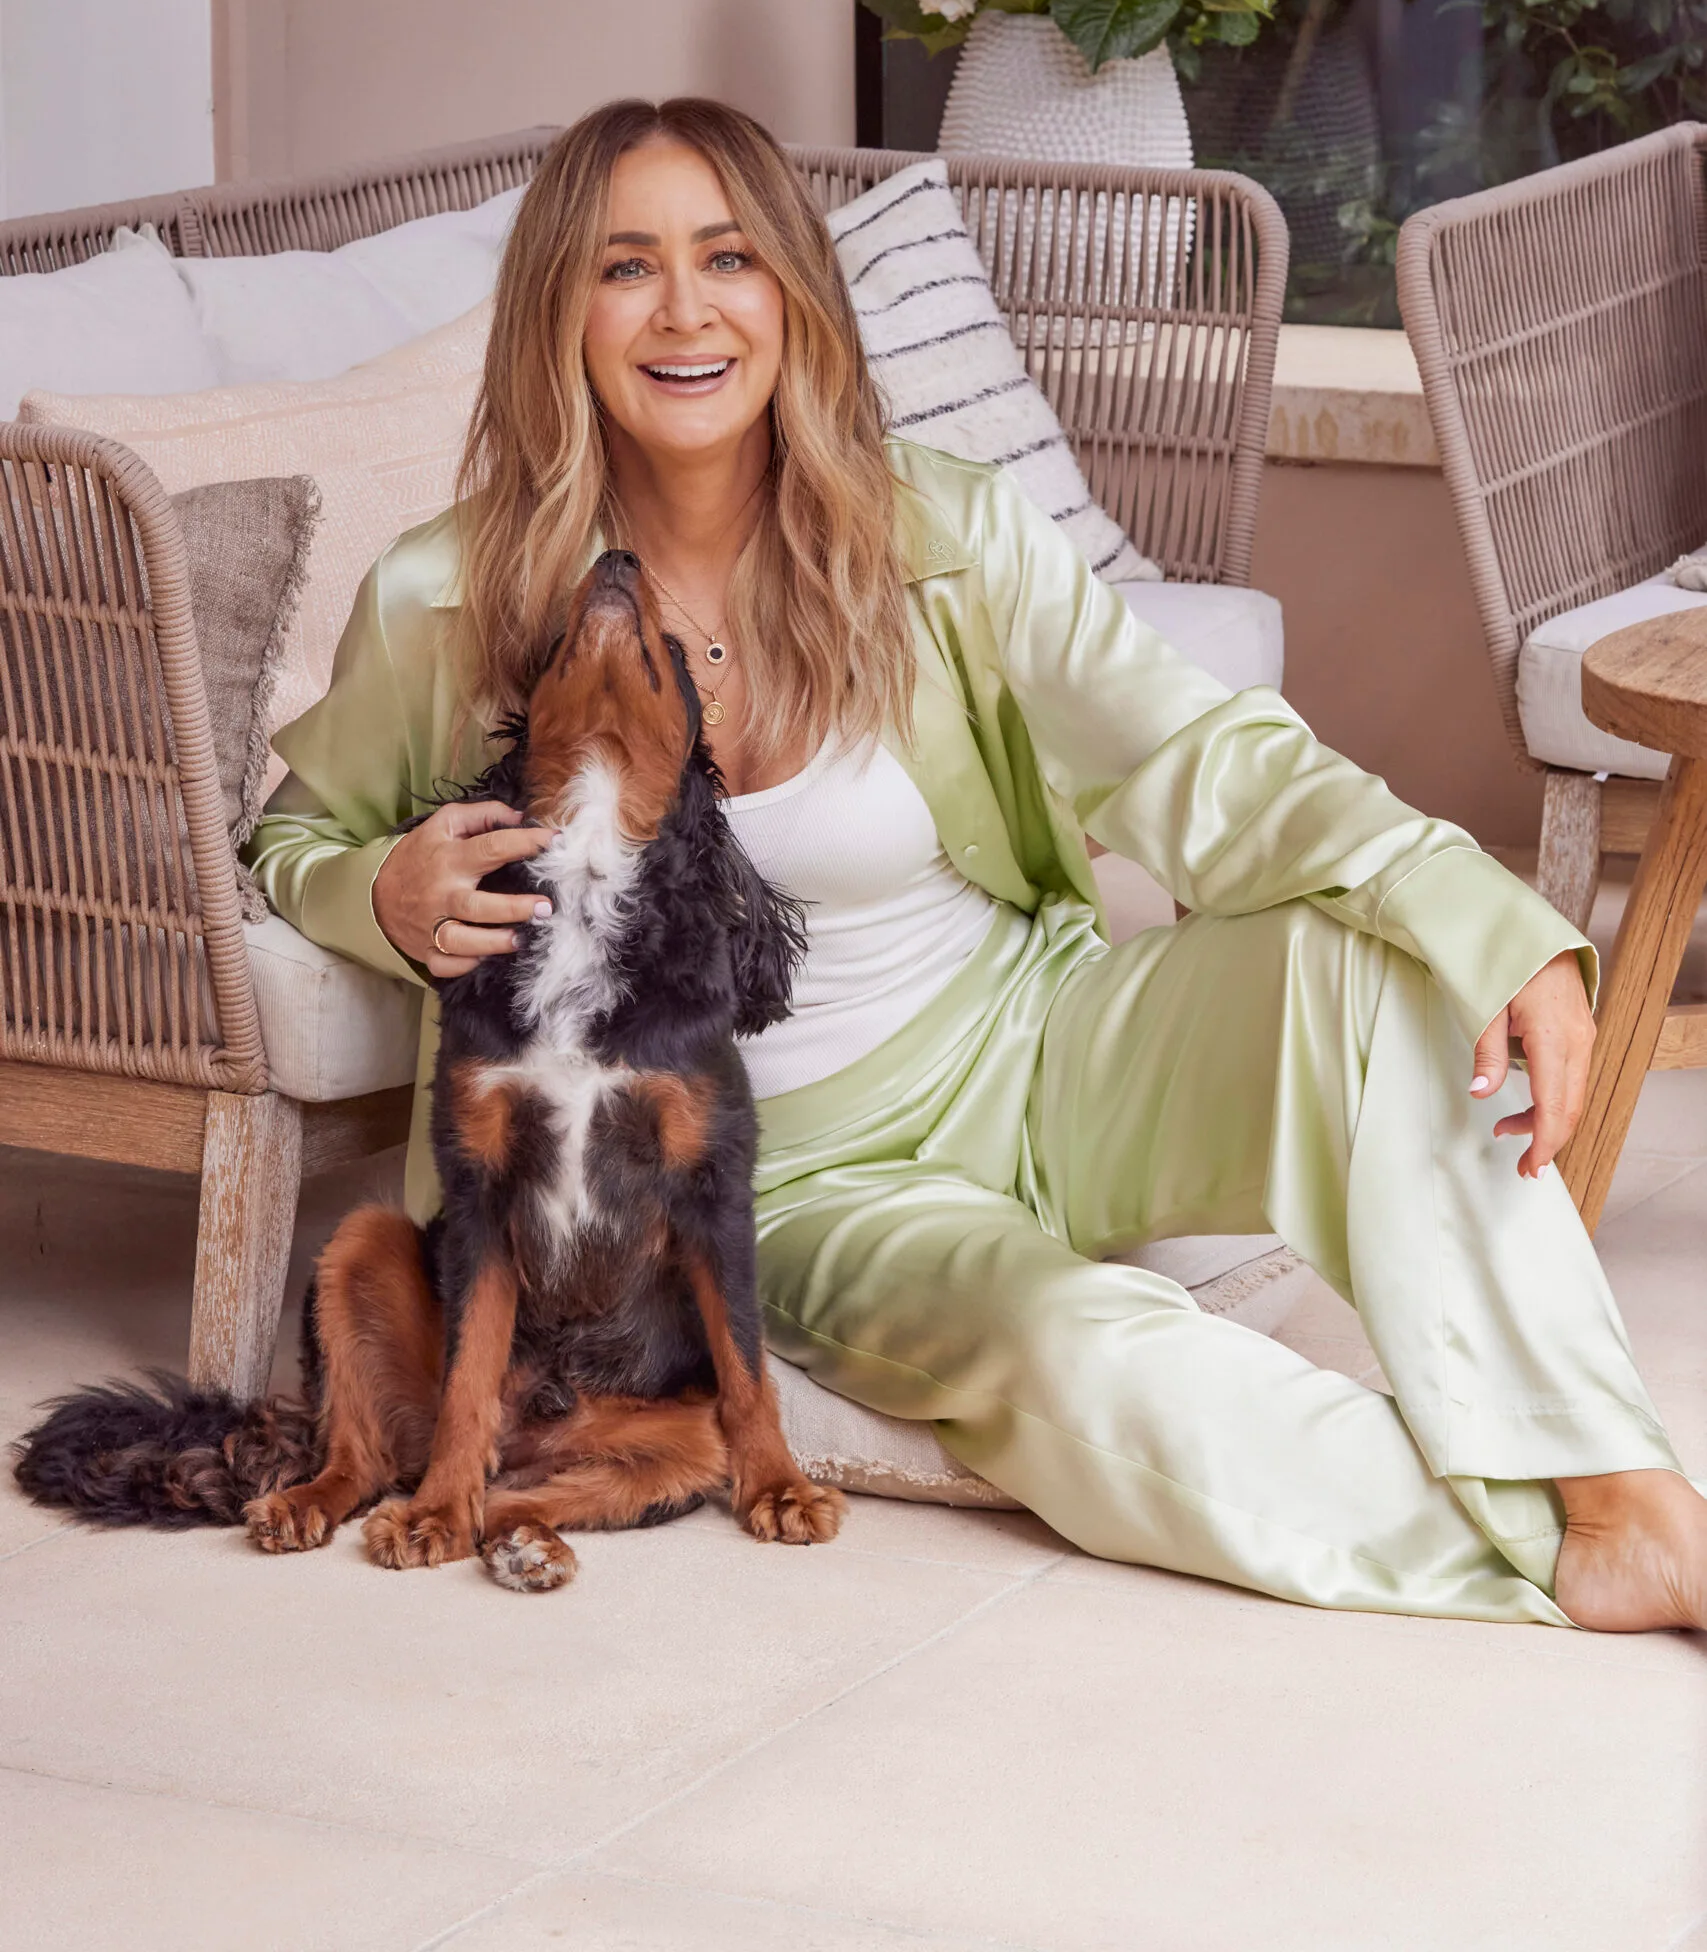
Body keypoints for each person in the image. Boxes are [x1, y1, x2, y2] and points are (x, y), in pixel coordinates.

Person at [249, 95, 1707, 1633]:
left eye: (728, 257)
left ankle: (1619, 1492)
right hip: (804, 1175)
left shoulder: (940, 531)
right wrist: (384, 895)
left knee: (1386, 963)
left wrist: (1496, 922)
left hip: (1040, 1042)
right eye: (626, 268)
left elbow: (1191, 757)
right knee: (1083, 1353)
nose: (685, 311)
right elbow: (295, 834)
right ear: (561, 310)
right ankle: (1561, 1564)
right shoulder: (444, 594)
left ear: (793, 297)